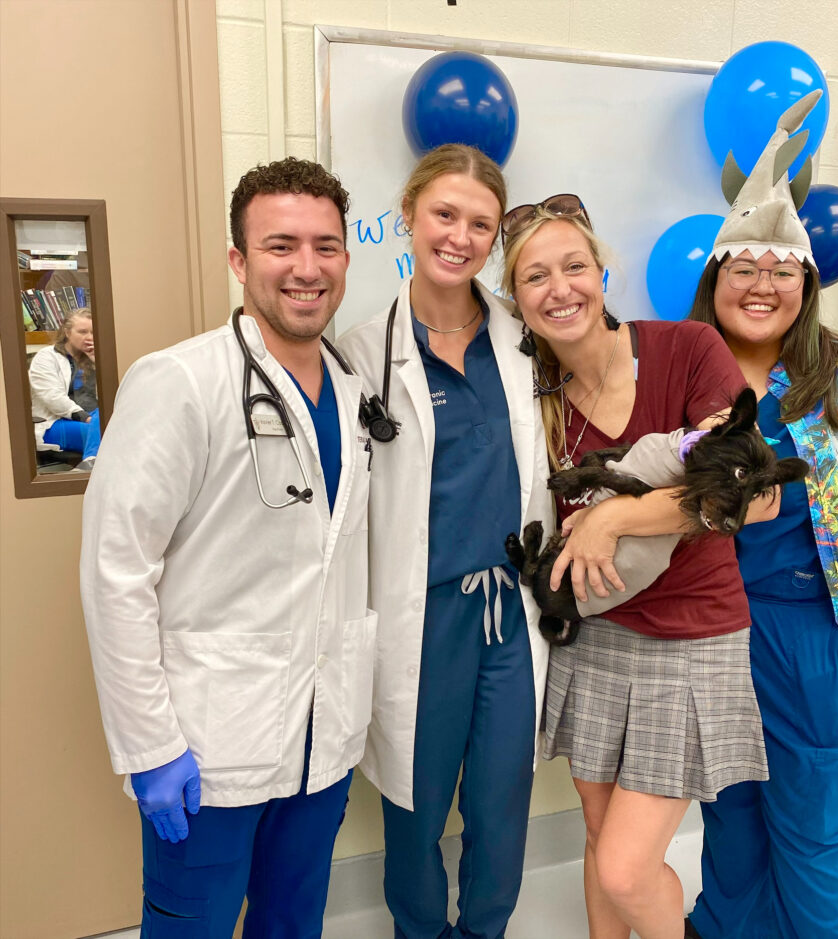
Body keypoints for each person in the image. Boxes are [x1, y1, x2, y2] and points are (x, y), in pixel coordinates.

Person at [80, 157, 375, 938]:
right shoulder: (178, 382)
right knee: (192, 928)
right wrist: (149, 746)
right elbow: (116, 572)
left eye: (326, 246)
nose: (306, 268)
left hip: (322, 735)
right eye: (281, 245)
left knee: (292, 923)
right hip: (209, 750)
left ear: (346, 258)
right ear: (239, 260)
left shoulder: (352, 390)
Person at [499, 193, 776, 939]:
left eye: (574, 266)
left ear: (602, 270)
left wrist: (616, 513)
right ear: (514, 300)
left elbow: (754, 497)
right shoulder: (537, 402)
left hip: (692, 642)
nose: (560, 289)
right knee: (598, 840)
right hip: (593, 640)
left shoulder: (688, 350)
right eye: (535, 277)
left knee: (627, 866)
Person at [685, 95, 838, 939]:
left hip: (815, 633)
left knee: (816, 828)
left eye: (781, 270)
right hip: (710, 633)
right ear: (714, 279)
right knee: (732, 818)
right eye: (742, 268)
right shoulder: (678, 377)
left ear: (808, 283)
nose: (762, 285)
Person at [339, 144, 553, 939]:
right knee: (415, 805)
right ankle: (419, 931)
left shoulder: (528, 342)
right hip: (420, 617)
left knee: (502, 803)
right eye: (445, 215)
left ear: (495, 238)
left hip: (511, 612)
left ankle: (485, 929)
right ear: (409, 216)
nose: (460, 236)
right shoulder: (362, 352)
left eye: (480, 224)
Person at [29, 307, 101, 469]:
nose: (89, 337)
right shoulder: (47, 357)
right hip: (55, 423)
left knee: (105, 418)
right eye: (82, 332)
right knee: (107, 435)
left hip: (94, 419)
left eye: (92, 332)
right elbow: (52, 397)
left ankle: (91, 462)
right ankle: (91, 460)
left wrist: (98, 363)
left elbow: (108, 396)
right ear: (67, 333)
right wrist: (86, 418)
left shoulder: (98, 357)